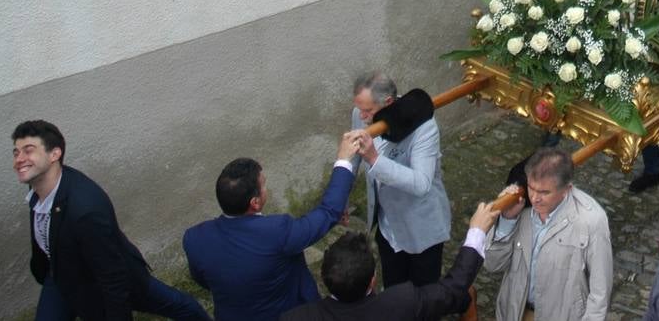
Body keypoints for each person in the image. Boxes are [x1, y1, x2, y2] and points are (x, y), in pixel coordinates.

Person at [12, 120, 212, 321]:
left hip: (107, 277)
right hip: (63, 273)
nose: (19, 158)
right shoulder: (37, 186)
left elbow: (113, 277)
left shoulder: (85, 210)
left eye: (28, 150)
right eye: (16, 152)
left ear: (54, 154)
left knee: (180, 306)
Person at [183, 135, 360, 320]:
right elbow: (329, 211)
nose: (266, 188)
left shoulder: (194, 238)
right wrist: (344, 159)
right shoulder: (278, 231)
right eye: (264, 184)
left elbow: (203, 279)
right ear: (255, 202)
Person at [280, 203, 500, 321]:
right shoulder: (402, 303)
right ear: (373, 281)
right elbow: (453, 288)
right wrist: (477, 232)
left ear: (324, 277)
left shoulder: (297, 317)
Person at [489, 149, 612, 321]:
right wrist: (507, 220)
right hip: (515, 313)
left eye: (544, 192)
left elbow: (600, 292)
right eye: (531, 188)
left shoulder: (592, 221)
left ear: (566, 189)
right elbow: (492, 265)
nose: (535, 198)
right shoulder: (519, 207)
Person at [352, 83, 452, 287]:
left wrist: (375, 160)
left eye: (368, 111)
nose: (362, 117)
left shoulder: (425, 127)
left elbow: (422, 183)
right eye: (360, 109)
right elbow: (354, 156)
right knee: (393, 289)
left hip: (422, 229)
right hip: (388, 229)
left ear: (388, 103)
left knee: (425, 296)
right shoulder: (360, 113)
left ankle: (464, 299)